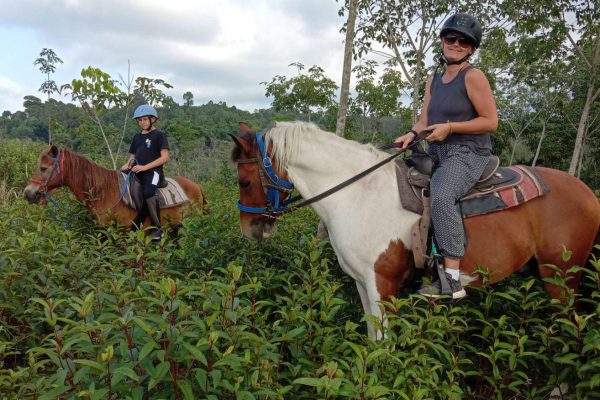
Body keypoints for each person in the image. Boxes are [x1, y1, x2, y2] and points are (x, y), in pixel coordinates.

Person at [394, 13, 498, 299]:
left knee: (441, 195)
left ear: (471, 48)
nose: (455, 44)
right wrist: (411, 135)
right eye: (450, 38)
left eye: (463, 41)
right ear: (442, 40)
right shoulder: (434, 80)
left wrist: (451, 127)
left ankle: (451, 280)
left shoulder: (473, 77)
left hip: (468, 151)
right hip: (437, 149)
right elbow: (424, 119)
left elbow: (491, 121)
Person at [121, 104, 170, 240]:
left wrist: (144, 167)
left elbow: (165, 157)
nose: (142, 122)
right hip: (138, 170)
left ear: (152, 119)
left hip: (154, 172)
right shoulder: (137, 137)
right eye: (140, 120)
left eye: (144, 119)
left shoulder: (159, 135)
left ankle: (157, 228)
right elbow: (133, 156)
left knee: (148, 192)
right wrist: (127, 164)